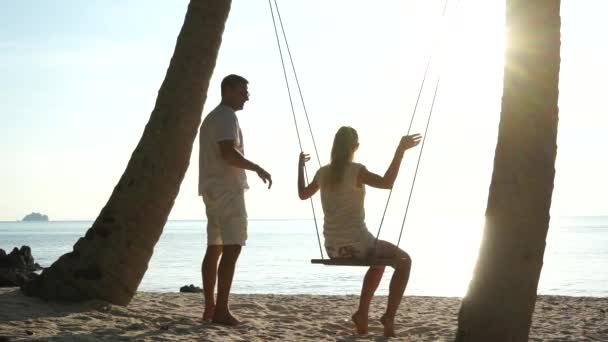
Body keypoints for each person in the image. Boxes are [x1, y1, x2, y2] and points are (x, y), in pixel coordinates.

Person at [297, 126, 421, 337]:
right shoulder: (357, 171)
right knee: (404, 261)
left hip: (333, 248)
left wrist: (300, 167)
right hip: (359, 245)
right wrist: (400, 150)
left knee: (378, 263)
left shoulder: (322, 172)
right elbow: (387, 183)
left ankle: (362, 313)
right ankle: (388, 316)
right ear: (355, 147)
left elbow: (302, 194)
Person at [199, 74, 272, 326]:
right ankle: (220, 310)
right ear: (228, 90)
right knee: (232, 248)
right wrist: (257, 167)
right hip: (227, 190)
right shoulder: (226, 116)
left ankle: (210, 307)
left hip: (212, 190)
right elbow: (228, 153)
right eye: (243, 91)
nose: (247, 97)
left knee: (215, 248)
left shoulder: (212, 118)